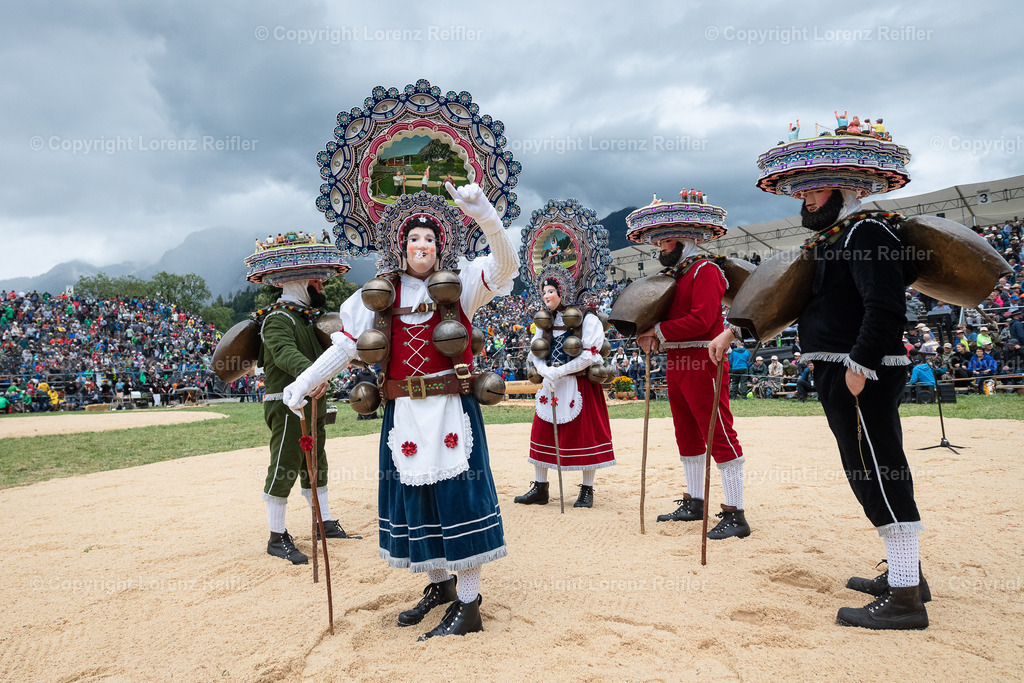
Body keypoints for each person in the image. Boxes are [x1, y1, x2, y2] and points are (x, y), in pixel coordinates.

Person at [284, 182, 518, 640]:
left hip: (450, 408)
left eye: (429, 238)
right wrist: (305, 381)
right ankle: (442, 585)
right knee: (418, 502)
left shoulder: (462, 284)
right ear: (401, 244)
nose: (422, 245)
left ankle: (470, 604)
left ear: (440, 245)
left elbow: (506, 265)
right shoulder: (378, 296)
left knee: (459, 500)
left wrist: (486, 215)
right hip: (403, 413)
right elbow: (346, 347)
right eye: (414, 238)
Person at [735, 124, 933, 629]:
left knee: (878, 471)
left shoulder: (868, 232)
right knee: (870, 469)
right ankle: (907, 576)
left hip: (860, 372)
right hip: (844, 369)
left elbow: (885, 308)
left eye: (815, 190)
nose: (805, 199)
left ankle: (906, 599)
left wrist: (859, 366)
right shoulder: (839, 236)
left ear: (846, 188)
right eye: (801, 191)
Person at [628, 190, 751, 540]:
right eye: (659, 242)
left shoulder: (706, 270)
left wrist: (658, 331)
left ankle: (736, 512)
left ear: (685, 238)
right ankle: (696, 501)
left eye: (665, 240)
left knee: (717, 432)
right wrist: (651, 334)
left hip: (703, 359)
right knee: (686, 433)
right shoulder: (677, 276)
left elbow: (702, 319)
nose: (660, 247)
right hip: (677, 360)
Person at [242, 235, 359, 566]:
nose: (321, 284)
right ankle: (276, 536)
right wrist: (313, 376)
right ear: (298, 280)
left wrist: (321, 376)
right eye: (316, 279)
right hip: (286, 404)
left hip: (313, 401)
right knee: (285, 463)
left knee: (316, 463)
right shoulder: (277, 318)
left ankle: (323, 522)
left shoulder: (307, 318)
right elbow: (284, 354)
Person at [514, 198, 615, 508]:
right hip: (550, 384)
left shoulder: (588, 318)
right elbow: (535, 350)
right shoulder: (544, 321)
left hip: (579, 383)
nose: (546, 296)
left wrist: (559, 371)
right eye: (544, 291)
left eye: (551, 291)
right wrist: (544, 370)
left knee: (585, 436)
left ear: (563, 291)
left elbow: (590, 354)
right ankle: (540, 487)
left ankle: (587, 489)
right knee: (543, 433)